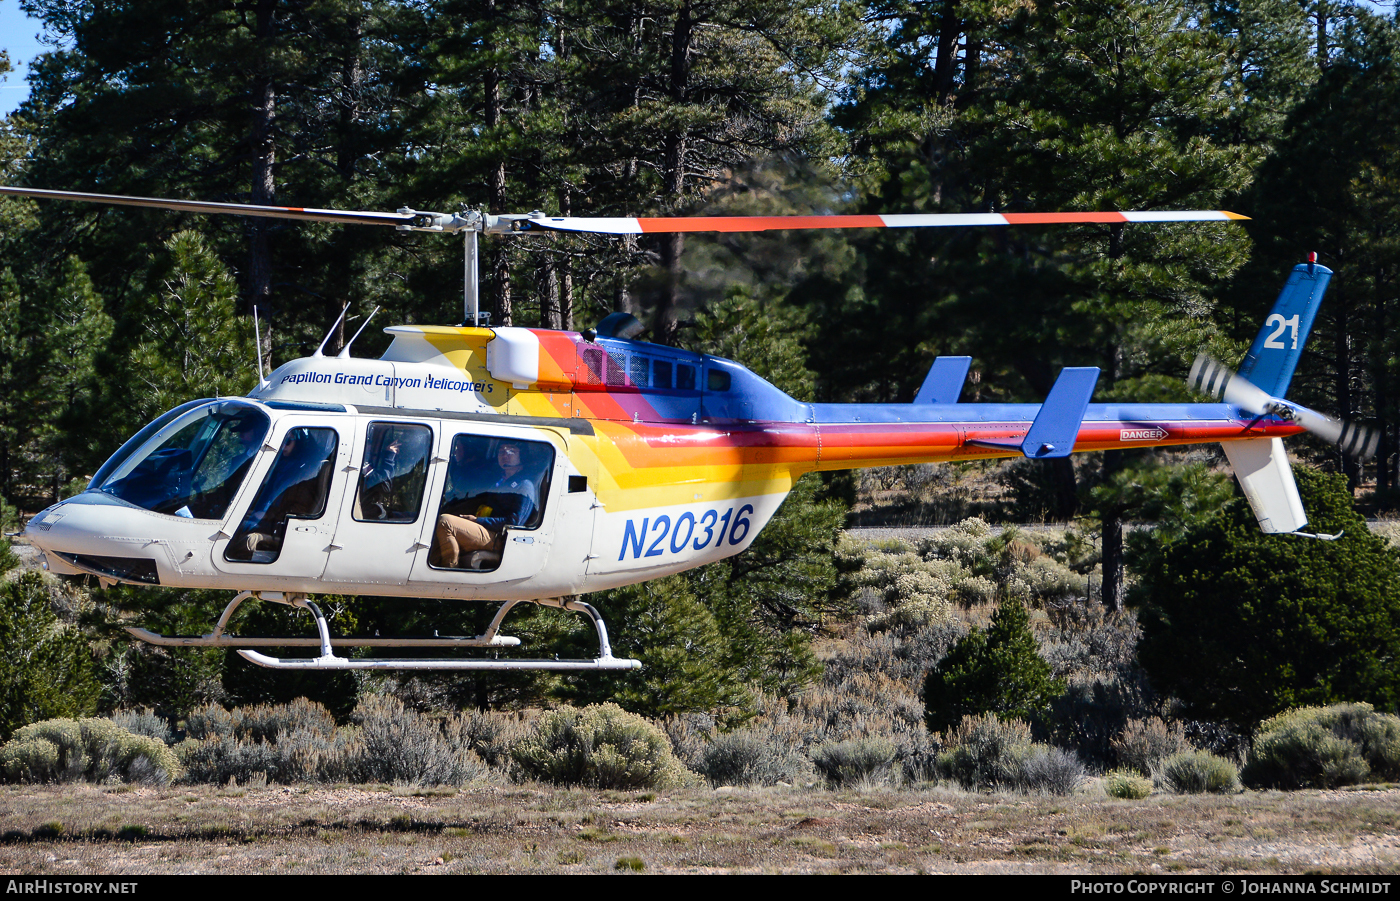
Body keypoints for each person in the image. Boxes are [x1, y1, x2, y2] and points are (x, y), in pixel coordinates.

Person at [229, 429, 335, 559]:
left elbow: (299, 509)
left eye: (288, 442)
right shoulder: (281, 467)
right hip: (270, 518)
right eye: (282, 442)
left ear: (299, 443)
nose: (283, 446)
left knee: (246, 540)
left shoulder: (305, 473)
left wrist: (268, 516)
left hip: (283, 528)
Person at [433, 441, 539, 568]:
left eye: (511, 451)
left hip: (499, 537)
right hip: (487, 530)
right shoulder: (499, 482)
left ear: (522, 456)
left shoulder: (524, 485)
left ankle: (448, 571)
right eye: (501, 451)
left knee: (446, 522)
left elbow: (514, 522)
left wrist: (478, 520)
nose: (505, 454)